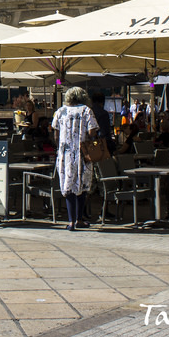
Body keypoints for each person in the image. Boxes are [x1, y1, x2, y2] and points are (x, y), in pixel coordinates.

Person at [51, 86, 98, 231]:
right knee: (82, 185)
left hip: (65, 154)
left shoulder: (60, 111)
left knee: (68, 184)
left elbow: (56, 134)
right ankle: (79, 219)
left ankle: (70, 221)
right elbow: (92, 132)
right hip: (82, 153)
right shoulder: (86, 110)